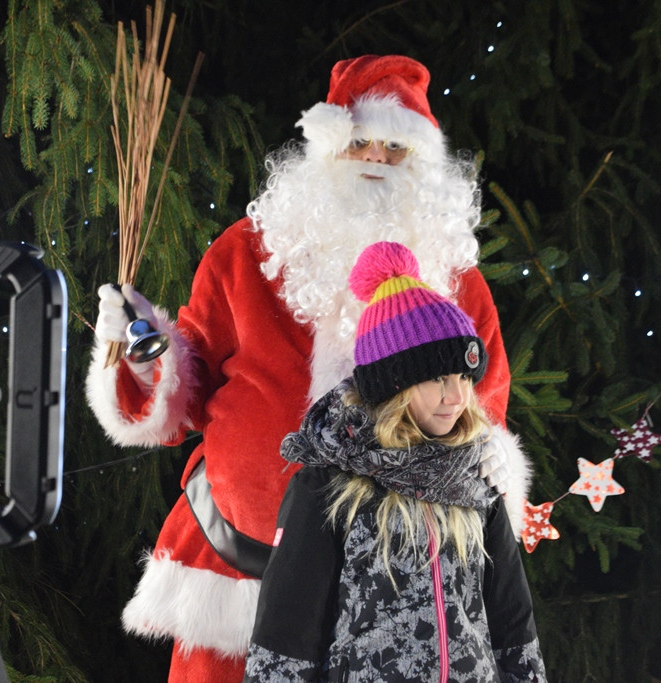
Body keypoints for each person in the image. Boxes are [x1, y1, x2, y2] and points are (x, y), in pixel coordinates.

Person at [86, 54, 533, 682]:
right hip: (238, 580)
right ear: (325, 147)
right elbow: (177, 404)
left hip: (396, 611)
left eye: (396, 148)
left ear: (425, 166)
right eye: (358, 142)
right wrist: (138, 355)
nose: (375, 159)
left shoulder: (458, 284)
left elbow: (480, 428)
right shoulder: (245, 254)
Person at [244, 242, 546, 682]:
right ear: (393, 386)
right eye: (437, 377)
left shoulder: (475, 478)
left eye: (464, 376)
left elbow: (512, 618)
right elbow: (287, 629)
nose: (457, 396)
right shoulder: (331, 485)